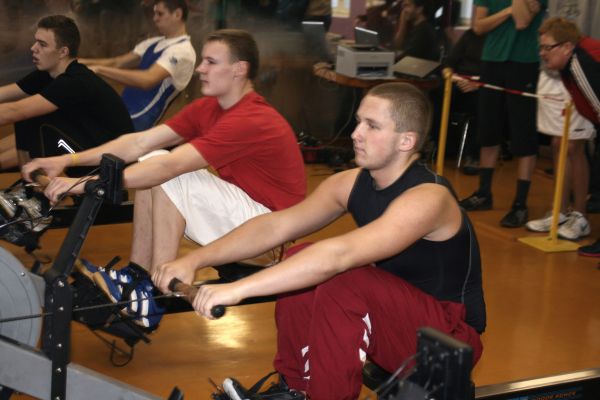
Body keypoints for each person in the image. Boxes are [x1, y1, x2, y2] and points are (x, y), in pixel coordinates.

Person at [153, 82, 486, 400]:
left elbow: (340, 255)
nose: (356, 134)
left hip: (446, 342)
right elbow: (275, 227)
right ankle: (295, 389)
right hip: (395, 322)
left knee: (344, 278)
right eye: (358, 122)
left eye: (372, 126)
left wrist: (238, 289)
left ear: (406, 141)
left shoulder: (429, 198)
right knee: (300, 254)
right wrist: (194, 260)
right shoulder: (352, 183)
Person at [22, 29, 307, 329]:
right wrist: (67, 161)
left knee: (168, 170)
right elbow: (138, 143)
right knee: (153, 158)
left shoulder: (251, 119)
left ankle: (150, 297)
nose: (200, 68)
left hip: (268, 238)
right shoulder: (210, 108)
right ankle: (137, 275)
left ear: (239, 69)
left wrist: (81, 185)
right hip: (243, 219)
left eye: (211, 62)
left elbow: (171, 166)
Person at [0, 14, 133, 171]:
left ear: (63, 52)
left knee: (35, 117)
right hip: (83, 145)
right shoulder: (48, 73)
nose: (33, 48)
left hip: (107, 164)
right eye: (36, 41)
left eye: (42, 44)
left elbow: (14, 111)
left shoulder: (75, 81)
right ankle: (27, 179)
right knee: (29, 119)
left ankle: (27, 177)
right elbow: (5, 94)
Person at [459, 0, 547, 228]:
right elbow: (478, 27)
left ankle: (520, 204)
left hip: (524, 62)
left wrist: (502, 14)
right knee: (488, 129)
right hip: (492, 61)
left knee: (523, 134)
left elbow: (522, 21)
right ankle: (483, 193)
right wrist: (509, 9)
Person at [526, 17, 597, 240]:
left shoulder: (581, 63)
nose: (542, 53)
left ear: (567, 47)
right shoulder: (566, 65)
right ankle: (561, 212)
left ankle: (580, 217)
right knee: (561, 143)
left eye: (548, 48)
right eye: (541, 47)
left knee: (573, 146)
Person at [79, 0, 196, 132]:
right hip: (120, 112)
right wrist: (80, 62)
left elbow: (147, 80)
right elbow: (117, 62)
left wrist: (99, 70)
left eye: (160, 14)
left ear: (177, 14)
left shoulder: (183, 51)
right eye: (154, 14)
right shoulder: (153, 42)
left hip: (136, 123)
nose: (155, 18)